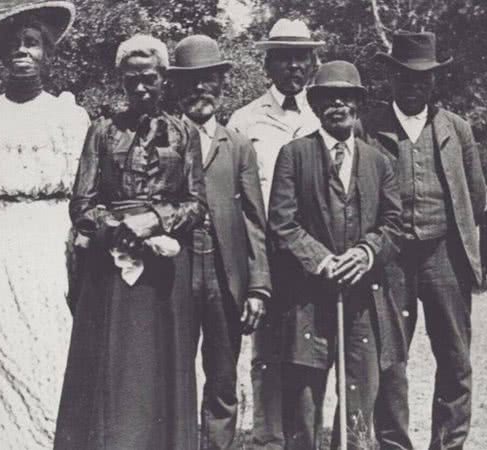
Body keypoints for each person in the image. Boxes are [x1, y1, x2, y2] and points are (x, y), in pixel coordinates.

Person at [0, 1, 89, 449]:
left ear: (47, 52)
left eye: (32, 43)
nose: (22, 52)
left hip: (50, 243)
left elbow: (81, 195)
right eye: (14, 45)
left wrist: (76, 250)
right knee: (2, 351)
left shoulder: (68, 116)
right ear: (2, 56)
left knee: (50, 348)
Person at [54, 34, 207, 450]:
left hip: (164, 271)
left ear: (164, 80)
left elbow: (196, 204)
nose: (141, 88)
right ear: (120, 81)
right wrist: (117, 226)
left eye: (150, 79)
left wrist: (156, 220)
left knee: (161, 368)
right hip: (110, 270)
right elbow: (82, 203)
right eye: (131, 80)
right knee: (112, 368)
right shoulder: (102, 131)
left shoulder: (184, 133)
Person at [268, 61, 403, 450]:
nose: (338, 105)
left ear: (359, 104)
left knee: (359, 402)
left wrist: (366, 252)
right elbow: (282, 223)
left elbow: (394, 225)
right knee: (304, 407)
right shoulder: (294, 155)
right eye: (329, 98)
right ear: (315, 104)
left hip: (363, 301)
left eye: (347, 97)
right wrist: (323, 260)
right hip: (308, 300)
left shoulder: (378, 161)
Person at [366, 32, 487, 450]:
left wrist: (452, 238)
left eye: (423, 78)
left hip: (444, 256)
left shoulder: (456, 129)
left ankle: (448, 443)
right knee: (389, 360)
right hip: (391, 258)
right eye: (405, 77)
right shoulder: (370, 127)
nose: (414, 85)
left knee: (455, 358)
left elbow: (476, 197)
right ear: (391, 79)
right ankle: (394, 444)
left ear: (434, 81)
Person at [168, 35, 271, 449]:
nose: (200, 90)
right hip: (173, 274)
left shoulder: (238, 145)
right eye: (191, 81)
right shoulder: (162, 138)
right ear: (177, 87)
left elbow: (254, 219)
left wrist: (258, 286)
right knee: (173, 373)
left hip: (226, 278)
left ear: (221, 85)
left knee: (223, 377)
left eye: (209, 80)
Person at [226, 19, 323, 449]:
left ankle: (305, 439)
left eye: (302, 57)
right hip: (263, 255)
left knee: (308, 353)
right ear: (268, 63)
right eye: (284, 57)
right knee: (265, 354)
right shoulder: (245, 120)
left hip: (312, 256)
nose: (294, 66)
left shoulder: (325, 115)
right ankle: (267, 439)